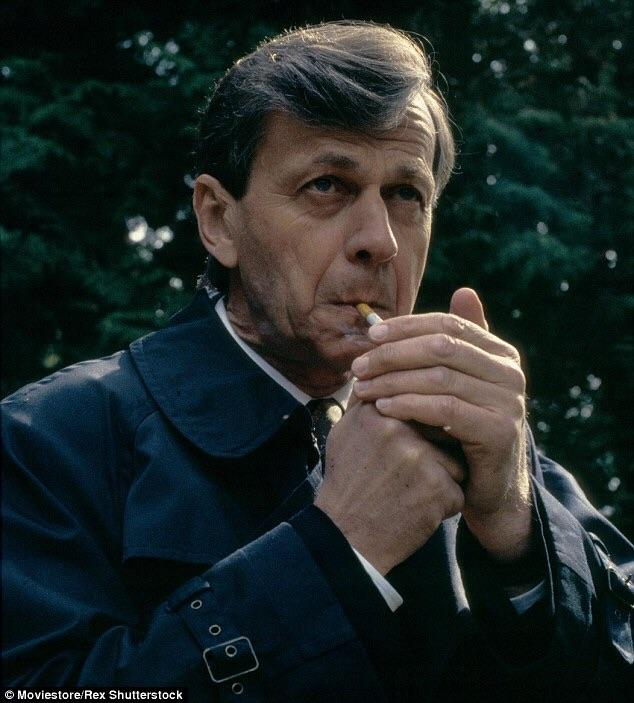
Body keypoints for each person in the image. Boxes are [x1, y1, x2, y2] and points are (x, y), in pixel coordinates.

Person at [2, 20, 632, 702]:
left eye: (406, 194)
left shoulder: (482, 439)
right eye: (328, 185)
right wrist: (339, 551)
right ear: (219, 221)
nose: (381, 241)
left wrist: (519, 532)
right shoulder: (51, 440)